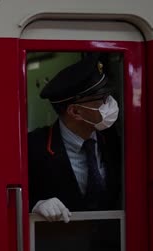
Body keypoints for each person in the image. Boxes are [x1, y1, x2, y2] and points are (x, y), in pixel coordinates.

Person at [28, 54, 121, 223]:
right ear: (75, 112)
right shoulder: (34, 148)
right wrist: (35, 205)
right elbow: (5, 201)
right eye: (102, 99)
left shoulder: (113, 139)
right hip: (61, 244)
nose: (110, 103)